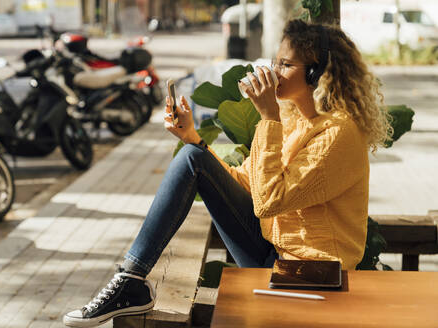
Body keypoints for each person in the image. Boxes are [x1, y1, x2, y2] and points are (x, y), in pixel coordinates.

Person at [63, 19, 392, 327]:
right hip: (270, 253)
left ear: (317, 74)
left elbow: (268, 201)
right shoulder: (292, 120)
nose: (272, 71)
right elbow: (246, 182)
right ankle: (131, 279)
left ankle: (129, 284)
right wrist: (192, 137)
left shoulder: (339, 133)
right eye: (275, 61)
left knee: (196, 158)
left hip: (312, 274)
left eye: (285, 64)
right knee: (193, 155)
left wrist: (268, 117)